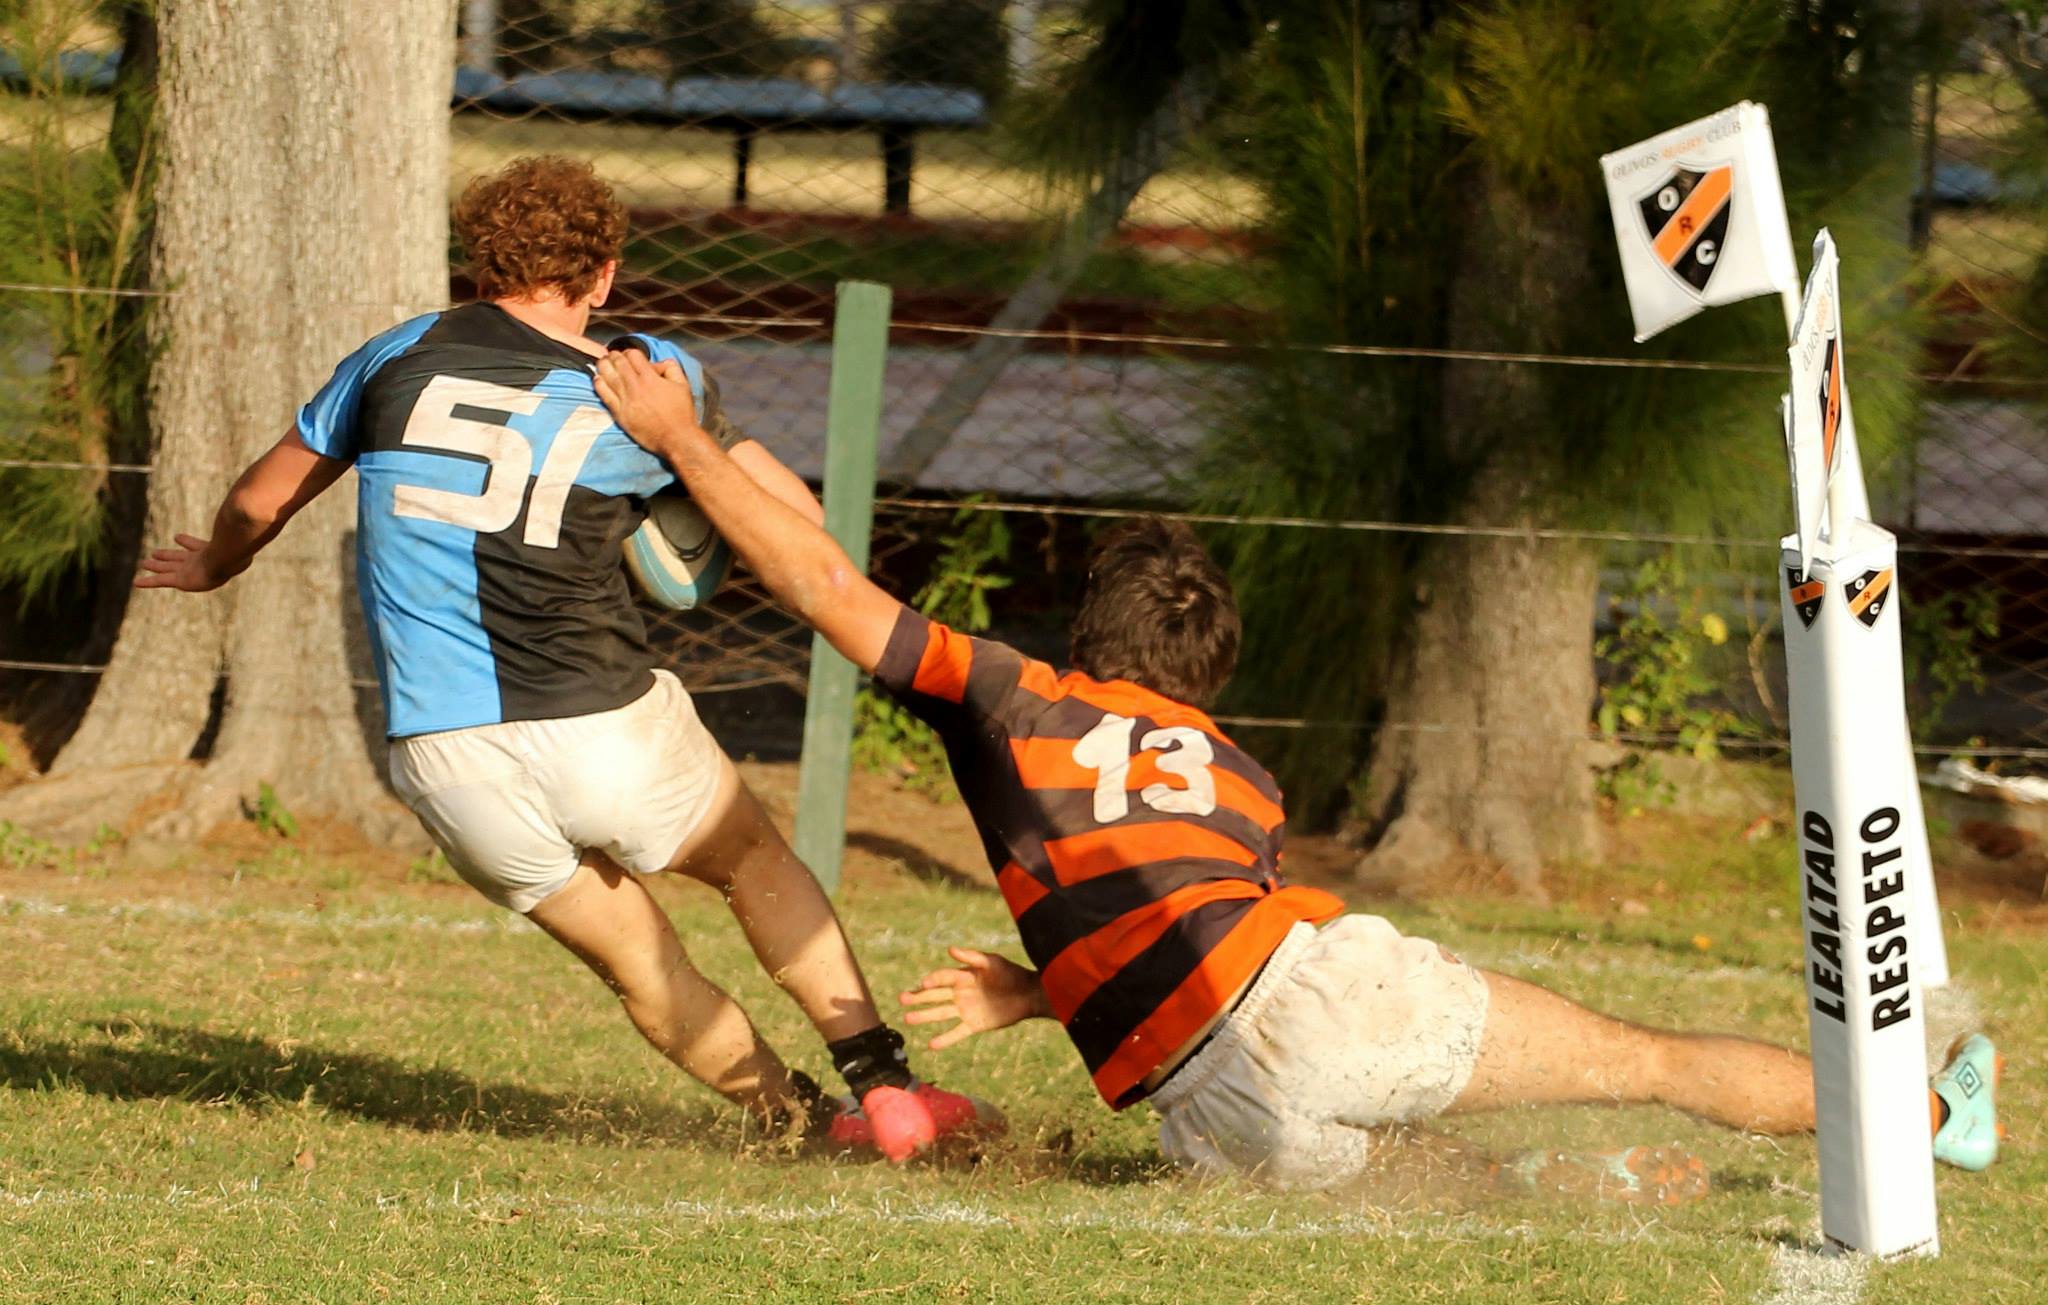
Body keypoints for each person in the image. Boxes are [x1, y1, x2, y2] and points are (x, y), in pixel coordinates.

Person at [590, 345, 2003, 1201]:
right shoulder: (1241, 774)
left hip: (1203, 1112)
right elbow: (1207, 913)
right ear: (1202, 675)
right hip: (1314, 995)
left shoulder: (1013, 695)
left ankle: (1574, 1186)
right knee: (1646, 1060)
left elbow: (827, 581)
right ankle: (1933, 1114)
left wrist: (686, 439)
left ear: (1087, 640)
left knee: (1408, 1187)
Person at [134, 156, 992, 1162]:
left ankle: (799, 1124)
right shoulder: (643, 374)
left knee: (641, 966)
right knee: (750, 860)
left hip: (442, 756)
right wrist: (681, 467)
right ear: (604, 275)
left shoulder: (390, 358)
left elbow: (252, 503)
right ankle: (881, 1086)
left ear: (478, 262)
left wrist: (218, 567)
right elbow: (793, 523)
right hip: (601, 724)